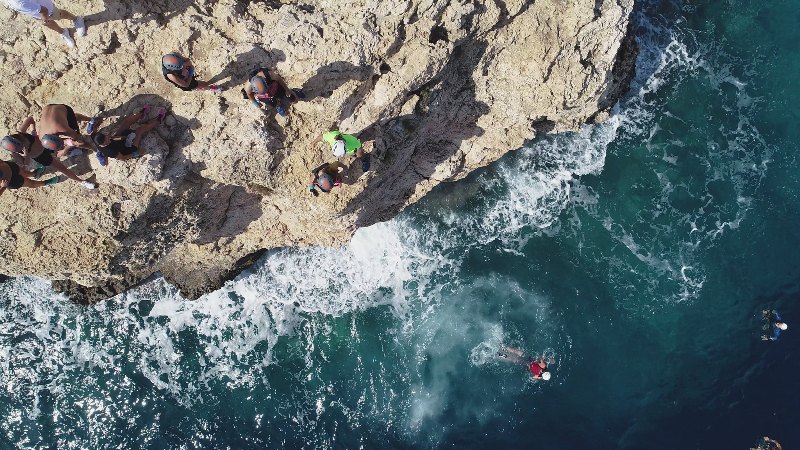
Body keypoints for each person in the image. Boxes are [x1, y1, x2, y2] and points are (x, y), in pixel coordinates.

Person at [1, 129, 96, 189]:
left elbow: (30, 119)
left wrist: (33, 131)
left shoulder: (22, 132)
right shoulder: (16, 152)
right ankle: (82, 182)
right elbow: (25, 164)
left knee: (62, 148)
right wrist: (26, 155)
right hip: (43, 157)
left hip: (46, 145)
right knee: (63, 168)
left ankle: (71, 151)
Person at [91, 105, 167, 165]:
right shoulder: (110, 152)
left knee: (126, 121)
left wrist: (122, 138)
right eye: (106, 139)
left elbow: (94, 133)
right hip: (128, 150)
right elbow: (123, 157)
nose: (107, 137)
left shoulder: (95, 137)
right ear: (103, 144)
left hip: (119, 142)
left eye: (106, 136)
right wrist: (136, 153)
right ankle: (159, 120)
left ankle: (142, 114)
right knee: (140, 130)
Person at [1, 0, 85, 48]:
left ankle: (77, 19)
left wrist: (44, 19)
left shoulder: (20, 3)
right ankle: (63, 32)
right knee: (49, 23)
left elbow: (44, 10)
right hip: (34, 11)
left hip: (45, 8)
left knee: (59, 14)